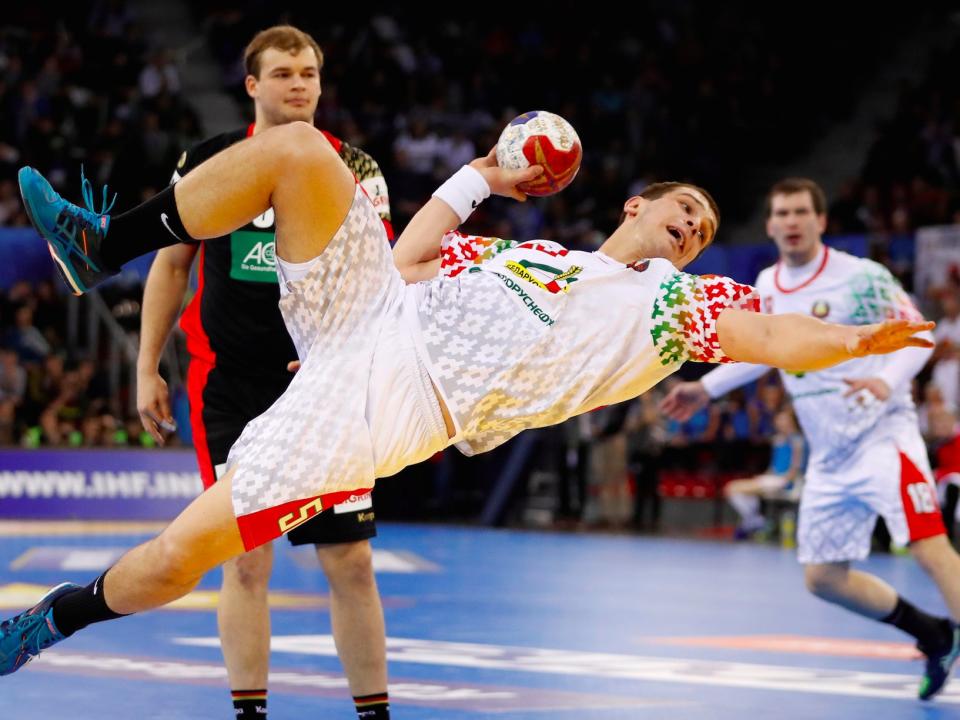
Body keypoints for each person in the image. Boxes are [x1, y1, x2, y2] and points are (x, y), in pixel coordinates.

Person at [6, 129, 932, 716]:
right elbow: (406, 260)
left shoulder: (674, 306)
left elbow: (775, 333)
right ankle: (104, 244)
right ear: (635, 206)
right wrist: (484, 172)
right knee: (300, 151)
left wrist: (853, 341)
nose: (694, 227)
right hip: (365, 316)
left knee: (178, 557)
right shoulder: (529, 252)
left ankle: (47, 622)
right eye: (684, 208)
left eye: (705, 224)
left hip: (383, 410)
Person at [136, 26, 392, 720]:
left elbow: (382, 280)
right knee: (245, 560)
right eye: (283, 74)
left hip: (322, 387)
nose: (300, 85)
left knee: (351, 562)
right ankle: (249, 712)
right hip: (228, 387)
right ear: (252, 86)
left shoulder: (357, 170)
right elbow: (171, 264)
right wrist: (145, 367)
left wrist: (349, 353)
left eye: (309, 72)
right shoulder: (211, 161)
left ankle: (376, 712)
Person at [660, 177, 960, 700]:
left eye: (801, 212)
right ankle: (933, 634)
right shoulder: (769, 286)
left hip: (883, 436)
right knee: (823, 577)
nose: (791, 222)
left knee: (929, 545)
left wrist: (884, 381)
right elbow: (761, 352)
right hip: (829, 452)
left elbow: (921, 333)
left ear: (821, 222)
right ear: (771, 224)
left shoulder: (861, 277)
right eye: (781, 213)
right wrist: (704, 388)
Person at [723, 405, 805, 538]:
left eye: (784, 420)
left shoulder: (797, 440)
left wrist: (785, 481)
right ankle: (753, 520)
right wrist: (765, 477)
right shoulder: (778, 440)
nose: (780, 423)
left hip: (786, 481)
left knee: (732, 488)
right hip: (773, 478)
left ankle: (756, 521)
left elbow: (796, 467)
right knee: (735, 490)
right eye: (779, 420)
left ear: (792, 421)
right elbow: (774, 466)